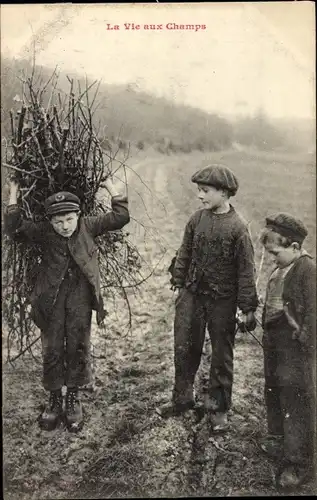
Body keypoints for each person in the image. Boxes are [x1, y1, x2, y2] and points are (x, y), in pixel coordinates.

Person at [4, 177, 130, 432]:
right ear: (50, 221)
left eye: (69, 219)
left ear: (78, 215)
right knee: (52, 349)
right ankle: (53, 400)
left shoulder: (89, 226)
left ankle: (72, 398)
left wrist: (113, 191)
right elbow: (14, 227)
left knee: (78, 345)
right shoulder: (44, 232)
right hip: (50, 300)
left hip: (80, 297)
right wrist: (14, 193)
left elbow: (120, 218)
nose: (65, 226)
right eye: (58, 221)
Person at [158, 163, 258, 431]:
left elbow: (246, 272)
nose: (200, 196)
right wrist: (179, 282)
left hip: (222, 301)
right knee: (185, 346)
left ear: (224, 193)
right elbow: (184, 253)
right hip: (192, 295)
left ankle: (219, 408)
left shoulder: (238, 229)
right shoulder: (196, 219)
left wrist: (247, 307)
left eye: (205, 191)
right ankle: (181, 399)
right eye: (199, 191)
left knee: (221, 355)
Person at [259, 213, 316, 490]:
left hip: (294, 345)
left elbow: (314, 313)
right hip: (275, 339)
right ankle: (278, 439)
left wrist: (304, 338)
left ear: (294, 248)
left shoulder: (307, 270)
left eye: (276, 253)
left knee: (295, 396)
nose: (272, 259)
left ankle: (299, 462)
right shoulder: (284, 266)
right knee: (273, 388)